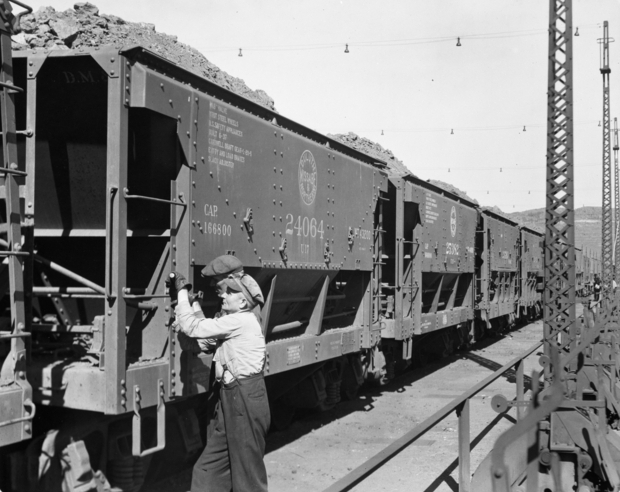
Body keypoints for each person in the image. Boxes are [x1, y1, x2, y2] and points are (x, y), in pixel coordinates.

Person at [169, 255, 270, 492]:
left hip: (245, 397)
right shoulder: (230, 320)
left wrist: (182, 292)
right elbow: (199, 344)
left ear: (243, 302)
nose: (221, 295)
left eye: (228, 292)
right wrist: (191, 309)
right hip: (229, 398)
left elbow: (195, 328)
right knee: (208, 470)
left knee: (248, 477)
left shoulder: (242, 320)